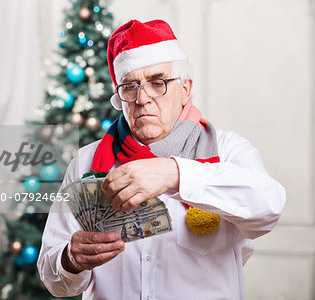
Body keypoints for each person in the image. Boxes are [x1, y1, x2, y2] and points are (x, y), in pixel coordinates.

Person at [37, 19, 286, 300]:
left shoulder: (226, 149)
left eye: (158, 83)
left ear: (185, 89)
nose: (142, 99)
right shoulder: (87, 162)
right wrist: (70, 259)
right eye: (130, 86)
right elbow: (52, 276)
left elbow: (269, 207)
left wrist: (176, 173)